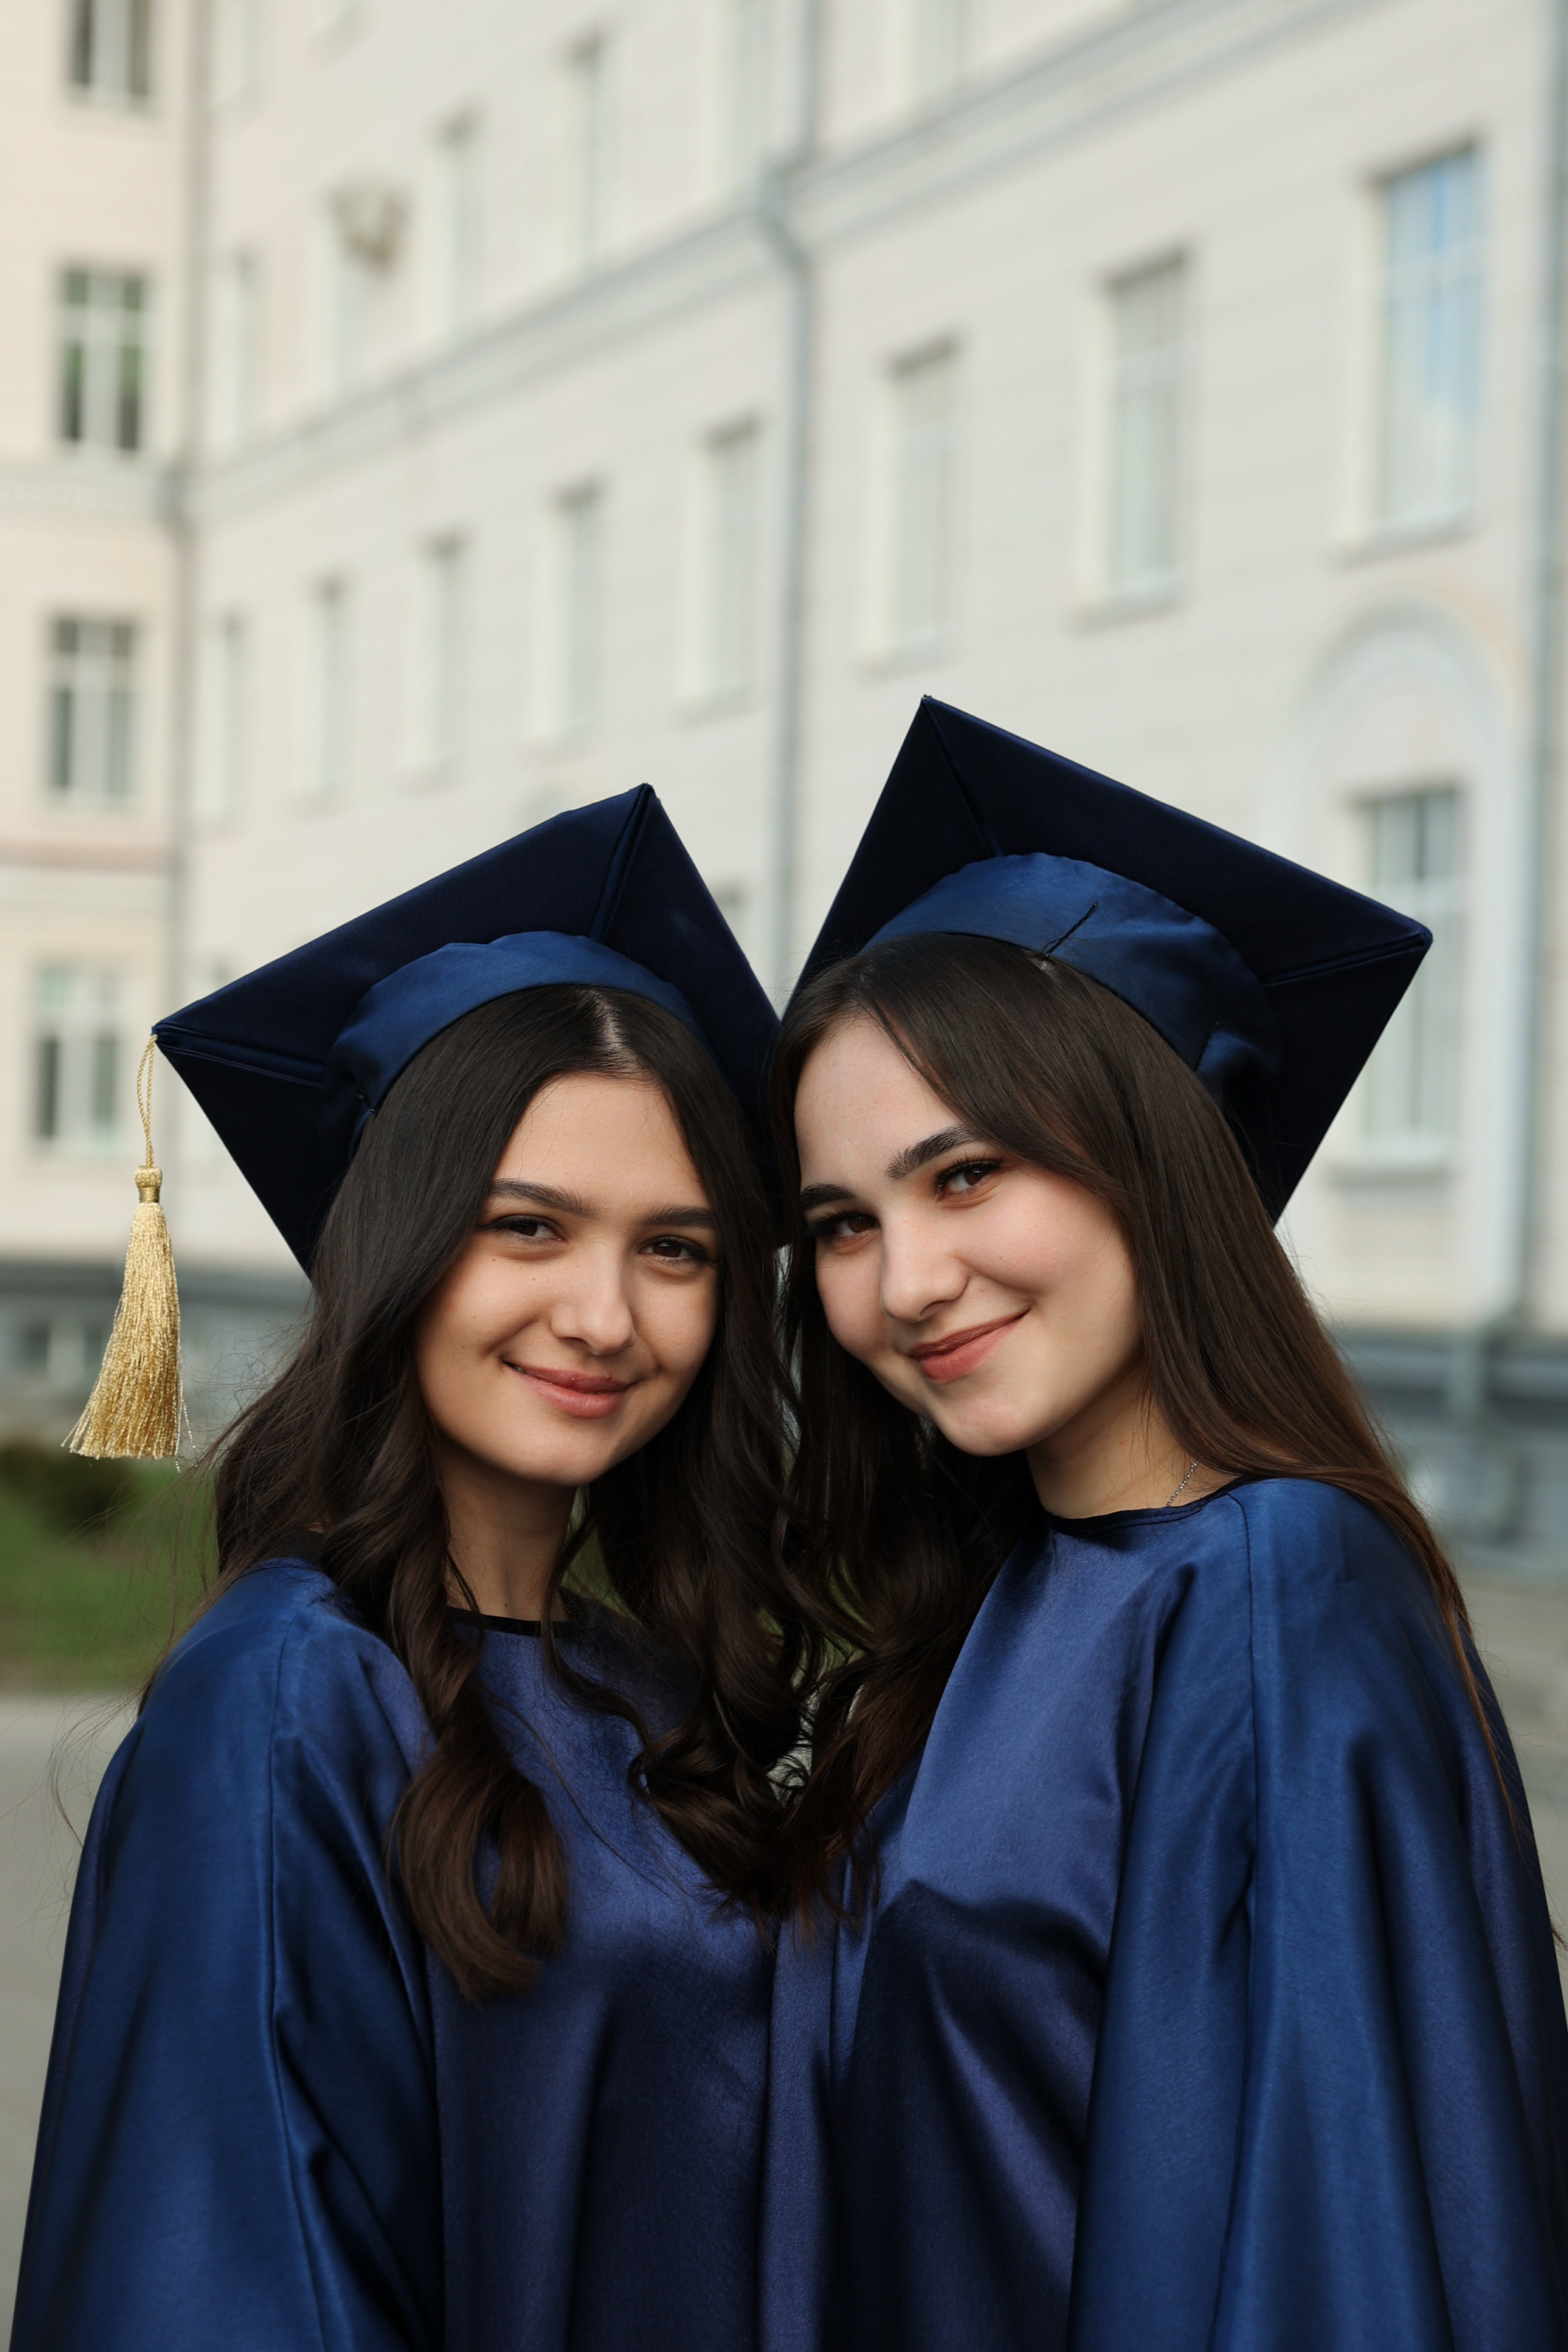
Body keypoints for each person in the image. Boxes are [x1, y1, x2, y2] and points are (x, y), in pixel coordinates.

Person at [764, 700, 1568, 2352]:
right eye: (844, 1220)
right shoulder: (1011, 1590)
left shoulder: (1274, 1595)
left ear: (1153, 1157)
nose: (906, 1282)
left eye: (968, 1172)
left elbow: (1319, 2262)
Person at [15, 789, 814, 2352]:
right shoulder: (292, 1695)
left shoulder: (647, 1693)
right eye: (529, 1227)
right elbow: (229, 2275)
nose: (604, 1314)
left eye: (675, 1247)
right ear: (400, 1245)